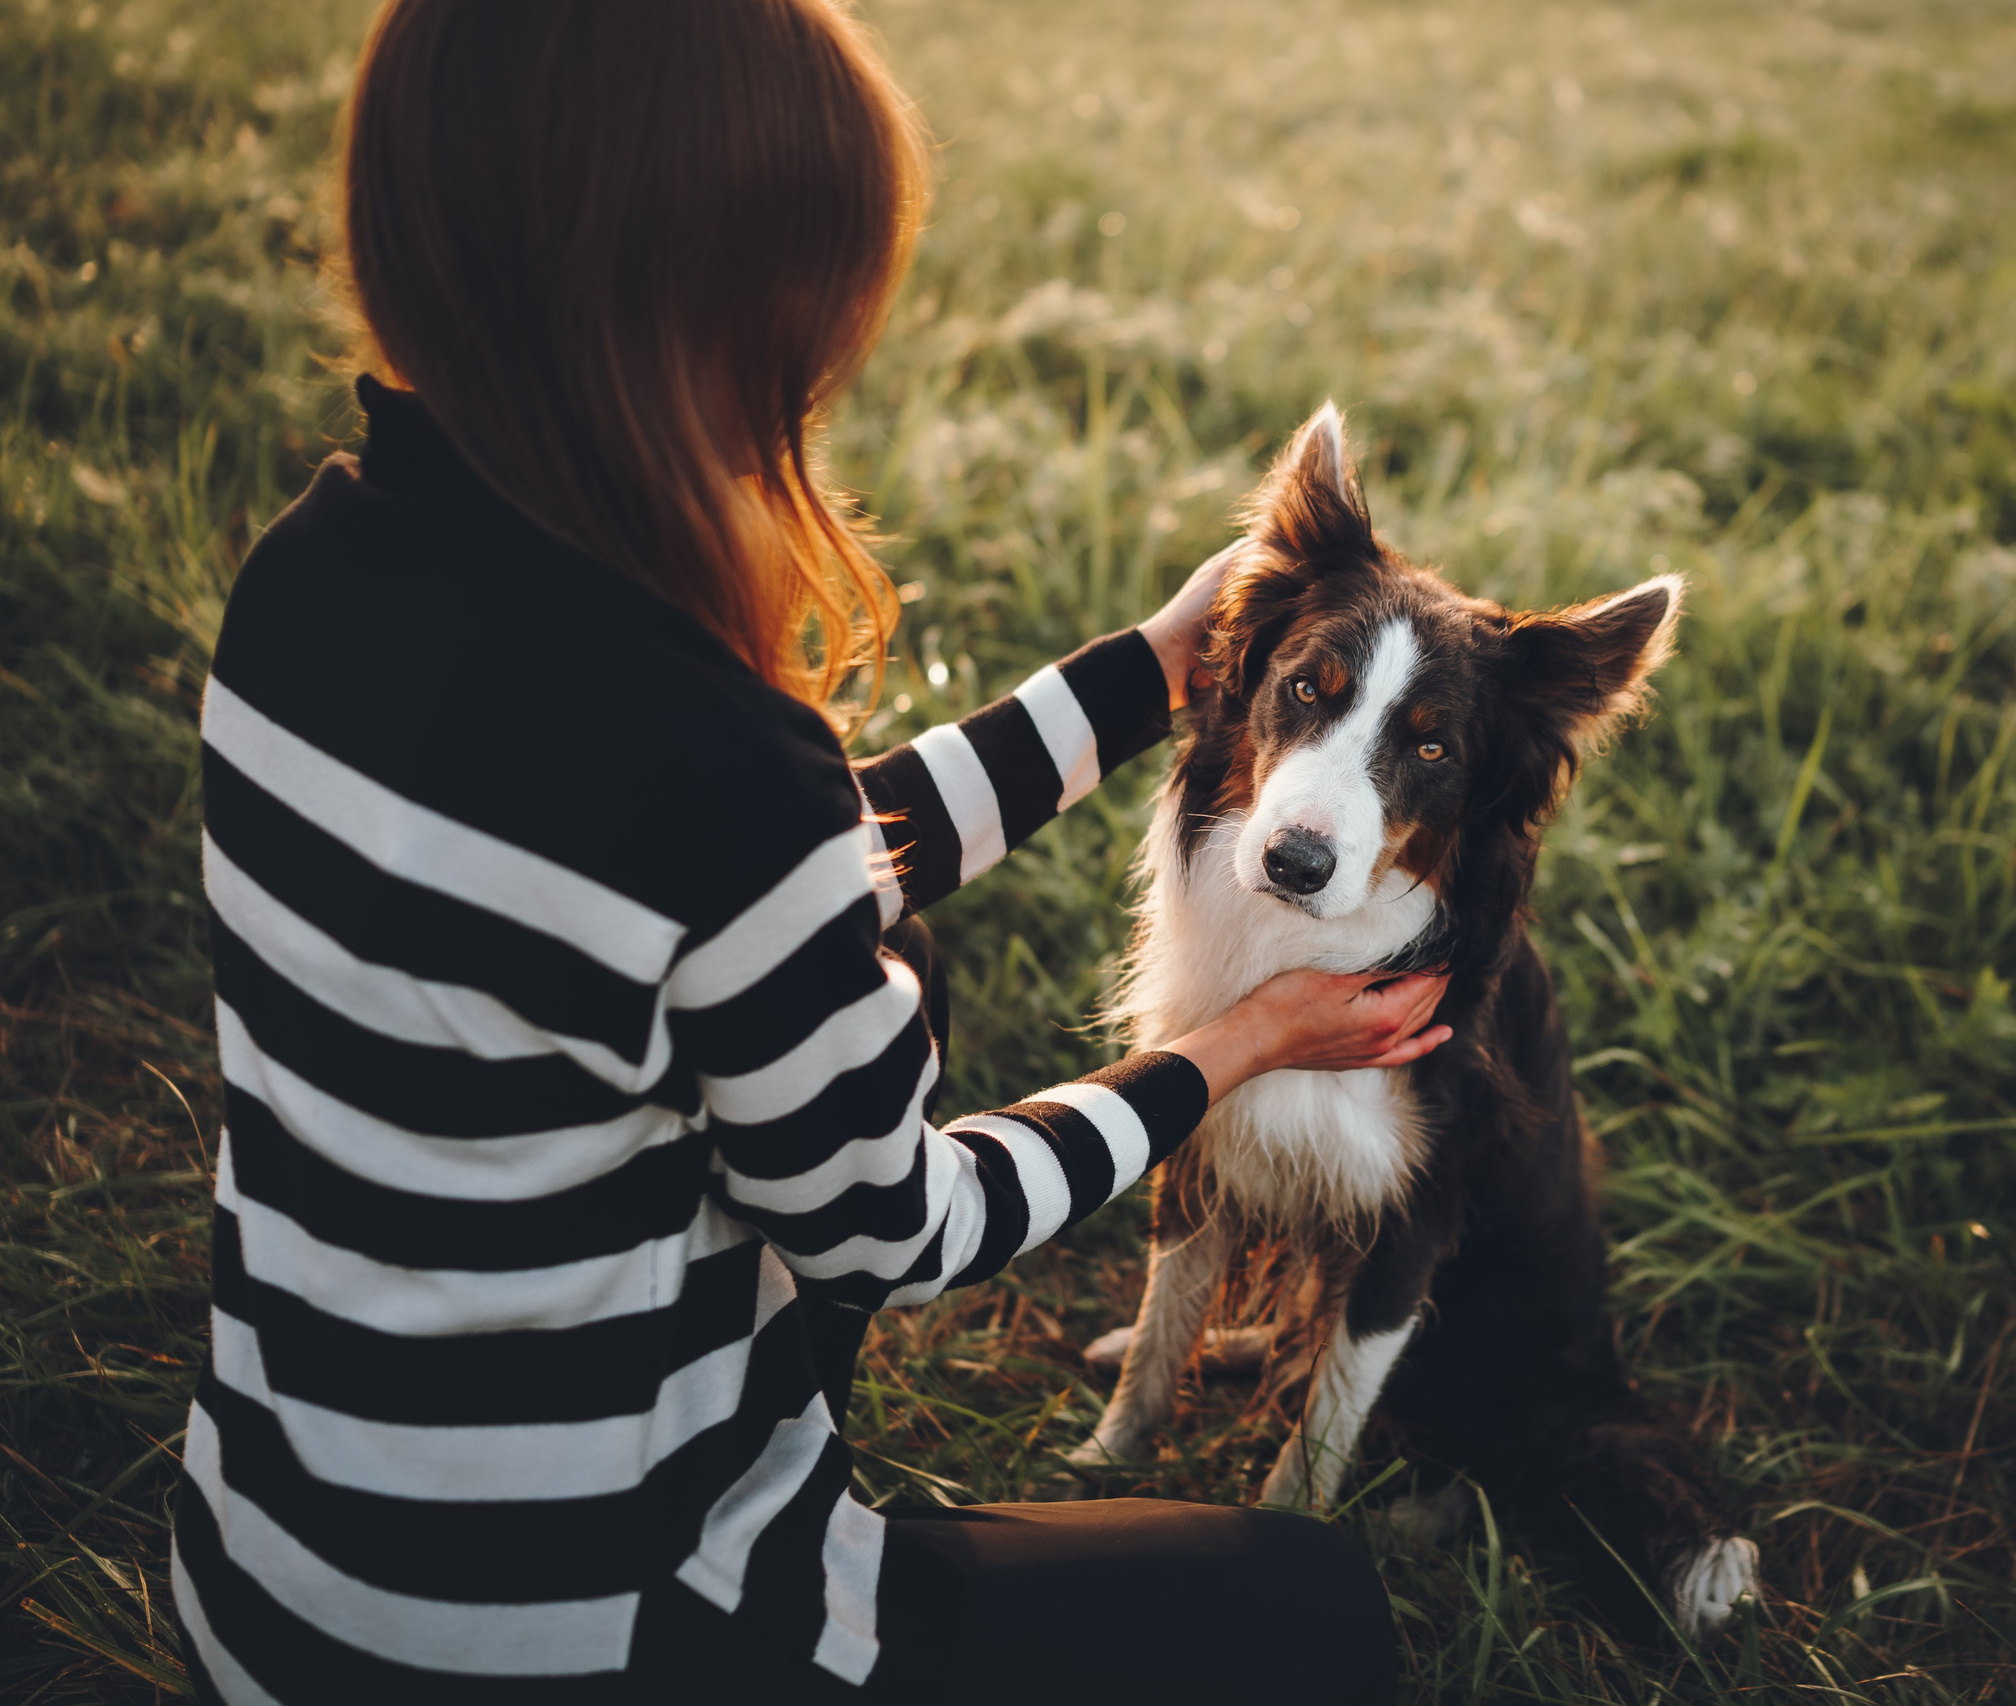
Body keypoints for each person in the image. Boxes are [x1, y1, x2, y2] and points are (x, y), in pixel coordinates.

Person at [168, 2, 1450, 1700]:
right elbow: (899, 1229)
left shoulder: (300, 588)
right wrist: (1230, 1048)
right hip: (591, 1631)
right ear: (717, 332)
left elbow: (749, 880)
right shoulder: (712, 768)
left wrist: (1144, 673)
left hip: (264, 1574)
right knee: (1310, 1618)